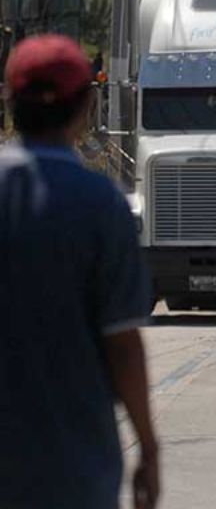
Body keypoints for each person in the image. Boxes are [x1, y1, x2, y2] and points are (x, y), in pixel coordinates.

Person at [0, 34, 160, 509]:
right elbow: (123, 345)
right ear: (87, 105)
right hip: (73, 466)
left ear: (10, 102)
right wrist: (149, 448)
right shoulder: (100, 204)